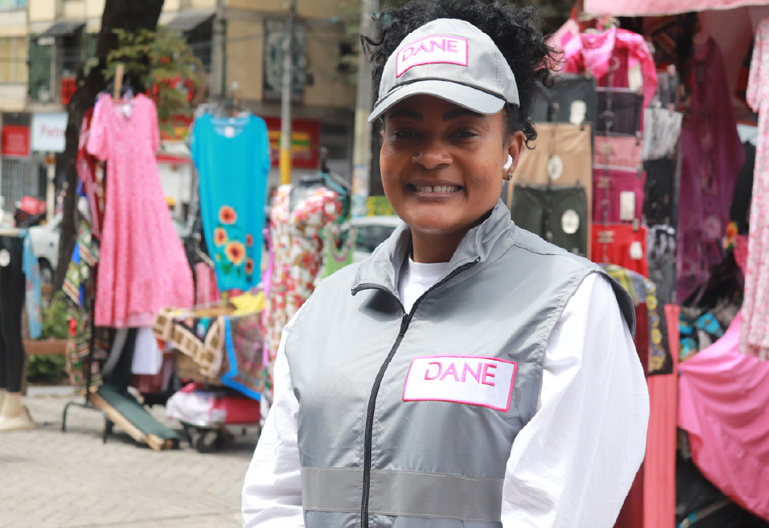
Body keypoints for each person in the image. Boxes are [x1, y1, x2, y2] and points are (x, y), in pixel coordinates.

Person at [243, 1, 649, 526]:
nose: (431, 156)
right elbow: (274, 499)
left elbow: (560, 511)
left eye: (462, 133)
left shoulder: (570, 307)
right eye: (406, 132)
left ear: (512, 150)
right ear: (382, 144)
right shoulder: (323, 312)